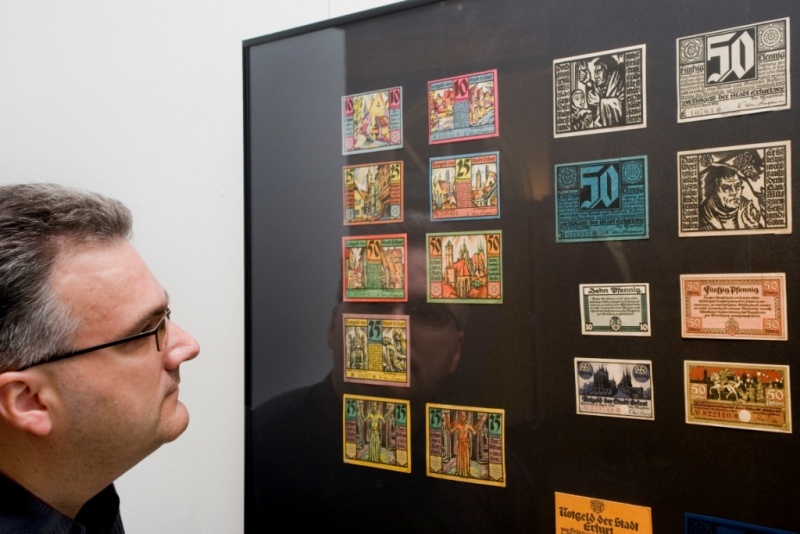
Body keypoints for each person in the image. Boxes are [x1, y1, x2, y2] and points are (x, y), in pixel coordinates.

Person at [251, 233, 535, 531]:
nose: (395, 329)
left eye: (428, 313)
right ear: (334, 327)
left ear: (456, 352)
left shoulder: (498, 481)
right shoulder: (256, 450)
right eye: (374, 302)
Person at [0, 183, 200, 533]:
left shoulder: (83, 500)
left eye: (164, 317)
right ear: (29, 400)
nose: (187, 346)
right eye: (145, 330)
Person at [699, 164, 764, 231]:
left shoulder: (749, 209)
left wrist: (753, 227)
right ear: (713, 192)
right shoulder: (702, 216)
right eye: (726, 188)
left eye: (737, 186)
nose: (734, 192)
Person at [580, 54, 626, 127]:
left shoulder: (621, 83)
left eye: (598, 71)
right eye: (595, 72)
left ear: (608, 72)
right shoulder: (603, 85)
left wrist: (600, 101)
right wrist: (588, 81)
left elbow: (622, 111)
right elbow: (596, 89)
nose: (595, 76)